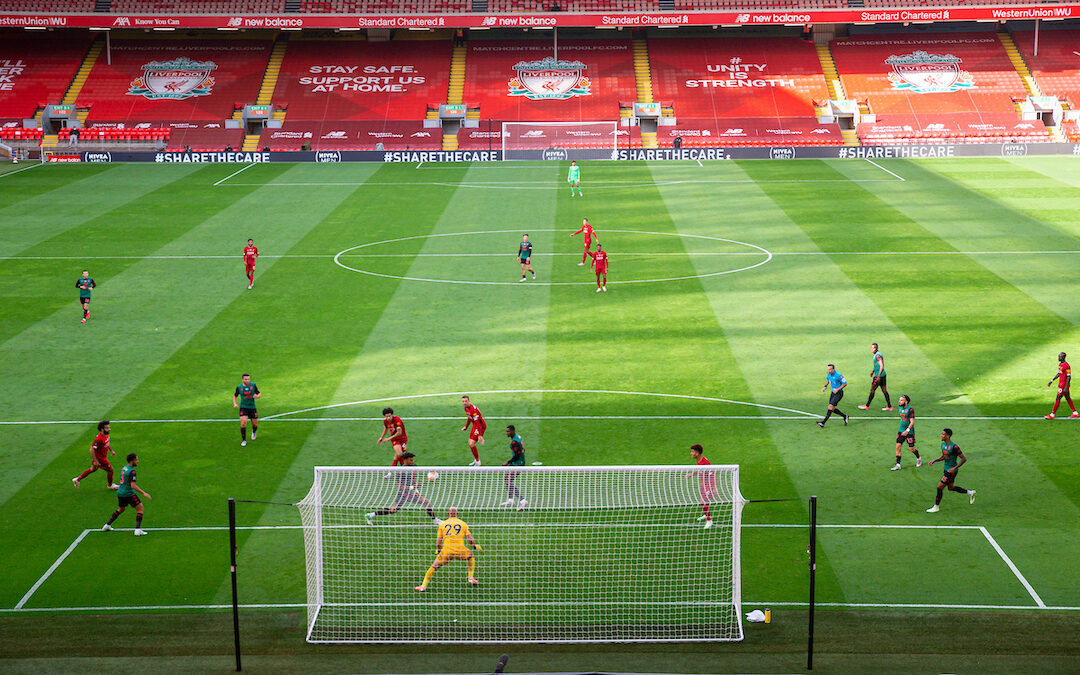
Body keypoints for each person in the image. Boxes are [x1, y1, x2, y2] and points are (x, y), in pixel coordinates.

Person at [415, 506, 480, 591]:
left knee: (434, 566)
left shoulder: (443, 524)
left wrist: (439, 551)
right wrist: (474, 546)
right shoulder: (463, 524)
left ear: (448, 514)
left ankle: (423, 586)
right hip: (460, 550)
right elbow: (470, 539)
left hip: (447, 552)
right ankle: (471, 577)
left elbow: (438, 541)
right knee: (470, 556)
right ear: (457, 514)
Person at [365, 453, 441, 525]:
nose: (413, 461)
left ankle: (370, 515)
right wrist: (412, 487)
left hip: (408, 492)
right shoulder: (401, 471)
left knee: (393, 510)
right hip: (404, 493)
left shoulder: (414, 467)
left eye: (413, 460)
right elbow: (399, 486)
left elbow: (413, 479)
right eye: (411, 460)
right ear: (405, 460)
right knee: (426, 502)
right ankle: (435, 520)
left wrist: (416, 490)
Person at [926, 428, 975, 512]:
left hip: (951, 471)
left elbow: (964, 459)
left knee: (939, 487)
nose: (941, 436)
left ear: (948, 436)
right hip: (946, 469)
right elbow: (944, 456)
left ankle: (936, 507)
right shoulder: (943, 445)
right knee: (951, 488)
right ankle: (969, 493)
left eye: (943, 434)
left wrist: (954, 468)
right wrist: (935, 460)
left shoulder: (954, 447)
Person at [102, 453, 151, 536]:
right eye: (136, 460)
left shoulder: (124, 468)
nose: (138, 461)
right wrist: (144, 493)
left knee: (121, 509)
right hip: (128, 493)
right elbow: (133, 486)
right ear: (132, 461)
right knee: (140, 509)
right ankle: (138, 530)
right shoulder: (132, 472)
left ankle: (107, 525)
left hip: (120, 492)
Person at [72, 420, 119, 489]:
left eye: (109, 427)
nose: (109, 429)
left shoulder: (106, 434)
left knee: (93, 469)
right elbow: (91, 449)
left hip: (100, 458)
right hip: (101, 459)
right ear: (102, 429)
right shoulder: (98, 439)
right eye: (107, 428)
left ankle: (77, 479)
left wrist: (111, 451)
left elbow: (107, 443)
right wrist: (96, 461)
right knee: (111, 470)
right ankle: (110, 485)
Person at [688, 444, 718, 529]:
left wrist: (714, 488)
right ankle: (706, 514)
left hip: (708, 484)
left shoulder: (705, 462)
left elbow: (713, 474)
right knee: (705, 501)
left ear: (697, 453)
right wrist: (691, 474)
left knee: (702, 501)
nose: (691, 453)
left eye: (692, 452)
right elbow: (699, 470)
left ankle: (709, 521)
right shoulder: (699, 460)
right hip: (704, 484)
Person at [500, 425, 527, 510]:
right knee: (507, 479)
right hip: (518, 462)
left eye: (508, 431)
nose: (506, 433)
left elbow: (517, 455)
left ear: (512, 431)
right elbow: (522, 450)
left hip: (518, 464)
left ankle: (522, 500)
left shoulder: (514, 442)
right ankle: (511, 499)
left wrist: (507, 462)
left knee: (508, 481)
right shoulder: (518, 437)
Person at [858, 343, 892, 411]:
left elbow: (881, 366)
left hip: (878, 376)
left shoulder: (877, 356)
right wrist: (873, 371)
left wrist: (878, 376)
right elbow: (877, 365)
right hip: (883, 375)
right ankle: (889, 407)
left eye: (873, 348)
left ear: (876, 348)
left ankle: (867, 406)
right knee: (884, 391)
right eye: (871, 348)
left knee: (872, 390)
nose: (872, 349)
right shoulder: (878, 354)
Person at [890, 395, 920, 471]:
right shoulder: (900, 408)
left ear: (906, 402)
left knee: (911, 449)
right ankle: (898, 465)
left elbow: (912, 422)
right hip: (901, 431)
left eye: (901, 400)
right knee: (898, 447)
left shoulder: (910, 409)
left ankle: (918, 458)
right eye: (899, 400)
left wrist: (907, 431)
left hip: (909, 432)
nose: (899, 401)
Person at [1045, 351, 1077, 419]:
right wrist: (1052, 380)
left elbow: (1069, 377)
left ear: (1064, 357)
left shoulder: (1067, 366)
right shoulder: (1060, 364)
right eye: (1058, 356)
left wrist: (1065, 388)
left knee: (1058, 398)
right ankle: (1075, 413)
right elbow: (1059, 373)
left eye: (1060, 356)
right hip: (1061, 385)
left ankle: (1052, 414)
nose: (1058, 358)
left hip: (1063, 386)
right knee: (1068, 398)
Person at [232, 373, 261, 447]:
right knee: (243, 423)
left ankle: (254, 432)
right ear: (242, 380)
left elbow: (259, 393)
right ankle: (244, 440)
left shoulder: (253, 385)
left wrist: (257, 396)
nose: (247, 380)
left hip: (252, 407)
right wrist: (235, 404)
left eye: (248, 379)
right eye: (245, 379)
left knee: (255, 424)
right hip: (243, 407)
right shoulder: (239, 387)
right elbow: (235, 396)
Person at [461, 395, 486, 466]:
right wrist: (466, 427)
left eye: (466, 401)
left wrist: (480, 435)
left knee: (472, 444)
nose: (464, 403)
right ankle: (476, 459)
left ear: (469, 401)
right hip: (475, 425)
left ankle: (478, 462)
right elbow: (469, 418)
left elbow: (478, 423)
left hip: (480, 426)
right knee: (470, 443)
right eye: (463, 401)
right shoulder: (466, 408)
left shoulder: (473, 410)